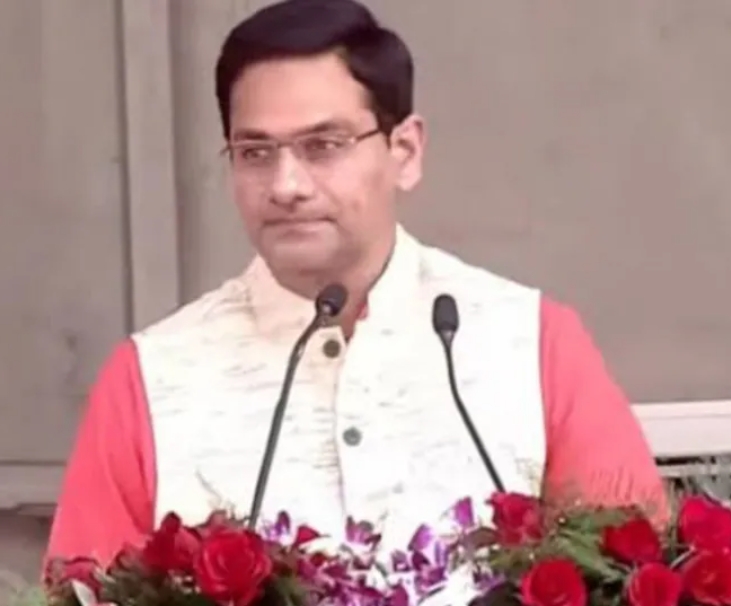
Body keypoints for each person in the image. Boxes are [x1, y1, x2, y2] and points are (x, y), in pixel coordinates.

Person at [45, 0, 666, 565]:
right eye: (255, 152)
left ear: (405, 151)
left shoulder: (531, 344)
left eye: (324, 145)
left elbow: (631, 573)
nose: (286, 185)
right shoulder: (151, 378)